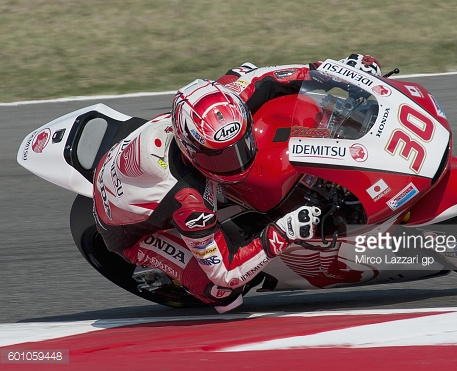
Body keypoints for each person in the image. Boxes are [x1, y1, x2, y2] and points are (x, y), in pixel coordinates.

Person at [92, 53, 381, 313]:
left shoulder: (225, 101)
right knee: (224, 294)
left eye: (239, 146)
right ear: (192, 151)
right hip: (125, 229)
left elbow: (266, 76)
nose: (236, 162)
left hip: (139, 161)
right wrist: (284, 231)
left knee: (250, 72)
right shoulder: (189, 202)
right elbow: (226, 273)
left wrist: (338, 73)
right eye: (220, 157)